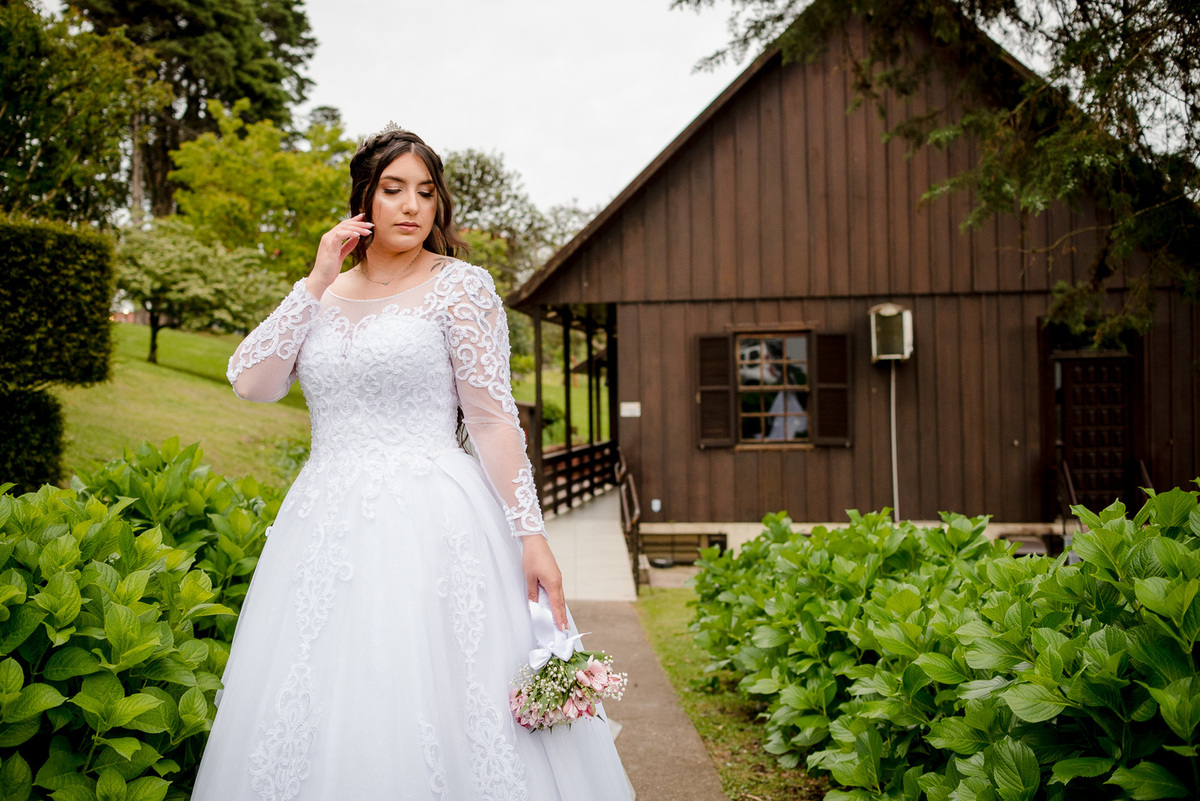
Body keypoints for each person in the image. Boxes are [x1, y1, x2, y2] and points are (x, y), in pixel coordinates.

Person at [191, 126, 633, 800]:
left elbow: (492, 419)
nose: (410, 205)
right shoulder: (324, 294)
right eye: (393, 189)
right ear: (363, 198)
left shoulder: (460, 287)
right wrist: (315, 277)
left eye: (425, 192)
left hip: (435, 519)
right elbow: (252, 382)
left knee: (438, 690)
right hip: (323, 524)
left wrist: (531, 533)